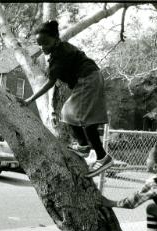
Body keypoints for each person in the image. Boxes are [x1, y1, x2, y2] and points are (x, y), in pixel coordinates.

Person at [17, 20, 113, 178]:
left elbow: (49, 83)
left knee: (79, 117)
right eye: (39, 44)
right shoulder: (59, 50)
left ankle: (103, 157)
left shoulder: (60, 54)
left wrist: (29, 100)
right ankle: (84, 147)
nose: (43, 47)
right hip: (91, 77)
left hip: (88, 78)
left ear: (56, 38)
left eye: (46, 43)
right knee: (70, 114)